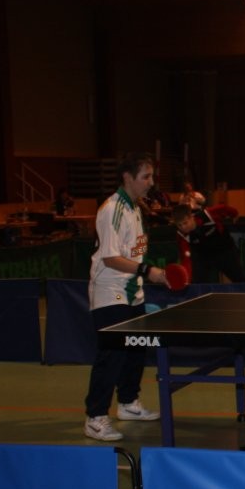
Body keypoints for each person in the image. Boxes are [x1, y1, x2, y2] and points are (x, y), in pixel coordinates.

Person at [82, 152, 167, 442]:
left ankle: (128, 403)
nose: (151, 182)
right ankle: (95, 417)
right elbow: (110, 258)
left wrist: (146, 274)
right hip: (110, 291)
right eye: (146, 177)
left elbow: (133, 250)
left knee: (136, 351)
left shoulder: (136, 208)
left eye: (152, 176)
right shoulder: (112, 209)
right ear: (128, 177)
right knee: (112, 355)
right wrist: (148, 270)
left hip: (133, 290)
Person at [173, 202, 245, 283]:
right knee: (197, 283)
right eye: (179, 225)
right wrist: (186, 278)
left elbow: (224, 208)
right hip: (203, 257)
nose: (183, 227)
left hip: (225, 251)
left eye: (185, 223)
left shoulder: (207, 215)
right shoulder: (181, 235)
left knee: (240, 280)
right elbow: (186, 260)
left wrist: (234, 214)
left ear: (191, 217)